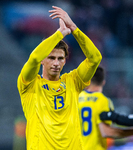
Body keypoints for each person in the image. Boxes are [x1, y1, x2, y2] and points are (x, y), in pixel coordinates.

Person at [17, 6, 102, 150]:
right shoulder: (29, 84)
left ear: (64, 61)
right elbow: (33, 59)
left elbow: (95, 58)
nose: (56, 63)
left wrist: (74, 28)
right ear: (43, 59)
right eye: (51, 58)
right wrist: (59, 34)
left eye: (60, 58)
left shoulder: (73, 81)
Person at [78, 66, 133, 150]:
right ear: (103, 82)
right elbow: (106, 132)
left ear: (87, 82)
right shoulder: (102, 100)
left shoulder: (77, 99)